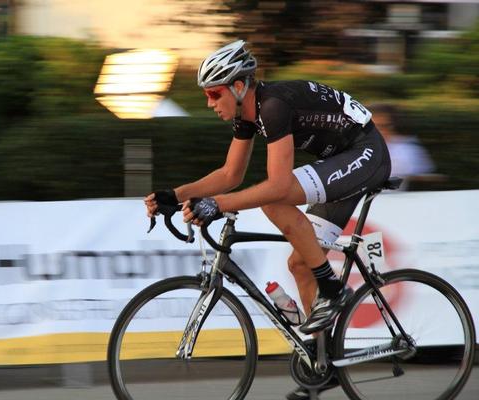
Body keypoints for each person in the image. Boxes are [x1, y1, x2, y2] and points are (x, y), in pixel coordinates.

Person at [144, 40, 392, 399]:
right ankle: (321, 368)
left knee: (273, 198)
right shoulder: (248, 115)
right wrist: (177, 194)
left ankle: (335, 289)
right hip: (340, 160)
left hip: (365, 154)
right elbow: (230, 174)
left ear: (239, 86)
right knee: (300, 263)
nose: (209, 103)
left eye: (214, 94)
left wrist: (216, 204)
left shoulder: (273, 106)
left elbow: (277, 185)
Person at [370, 103, 437, 191]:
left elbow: (428, 177)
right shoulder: (353, 148)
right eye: (373, 127)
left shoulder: (407, 150)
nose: (379, 131)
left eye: (383, 126)